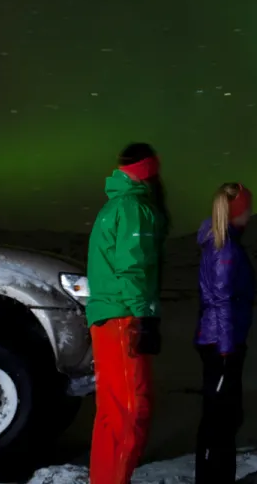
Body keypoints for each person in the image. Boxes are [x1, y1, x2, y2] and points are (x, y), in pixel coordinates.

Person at [85, 142, 169, 484]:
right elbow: (133, 267)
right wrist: (145, 317)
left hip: (108, 318)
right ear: (149, 171)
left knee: (112, 411)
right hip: (124, 317)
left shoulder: (115, 206)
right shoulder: (135, 208)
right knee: (132, 411)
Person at [193, 182, 256, 484]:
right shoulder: (225, 249)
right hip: (221, 345)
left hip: (221, 342)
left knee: (224, 418)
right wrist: (229, 351)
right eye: (249, 209)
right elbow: (223, 300)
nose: (252, 215)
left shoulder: (224, 243)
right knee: (220, 421)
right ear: (239, 211)